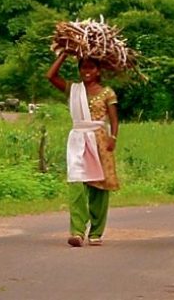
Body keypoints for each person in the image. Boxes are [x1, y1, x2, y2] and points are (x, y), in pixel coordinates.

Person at [47, 52, 120, 247]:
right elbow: (50, 76)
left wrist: (113, 137)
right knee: (76, 184)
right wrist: (64, 54)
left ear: (98, 71)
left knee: (99, 187)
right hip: (78, 140)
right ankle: (77, 231)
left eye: (91, 67)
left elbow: (114, 119)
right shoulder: (74, 90)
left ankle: (96, 232)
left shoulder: (107, 93)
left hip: (99, 140)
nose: (86, 71)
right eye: (83, 67)